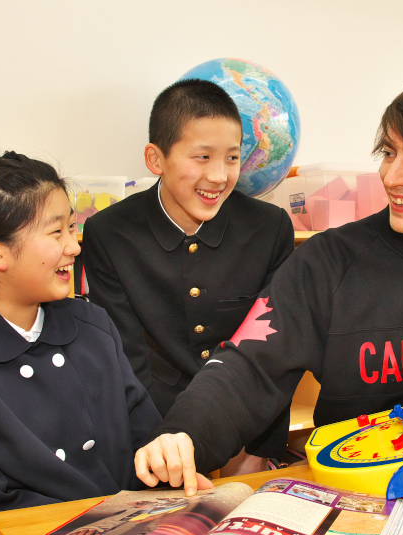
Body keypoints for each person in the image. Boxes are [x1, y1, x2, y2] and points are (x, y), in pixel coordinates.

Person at [134, 74, 403, 495]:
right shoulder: (327, 260)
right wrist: (184, 433)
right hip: (356, 487)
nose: (393, 177)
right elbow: (250, 362)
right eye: (389, 153)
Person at [0, 152, 162, 522]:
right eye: (57, 232)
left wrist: (168, 463)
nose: (74, 246)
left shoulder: (92, 325)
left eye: (72, 227)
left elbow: (145, 440)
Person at [79, 79, 295, 475]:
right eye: (202, 157)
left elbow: (274, 349)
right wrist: (160, 450)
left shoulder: (269, 228)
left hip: (246, 431)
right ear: (155, 159)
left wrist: (256, 450)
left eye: (232, 158)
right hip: (156, 440)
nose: (218, 176)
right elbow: (127, 359)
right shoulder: (110, 234)